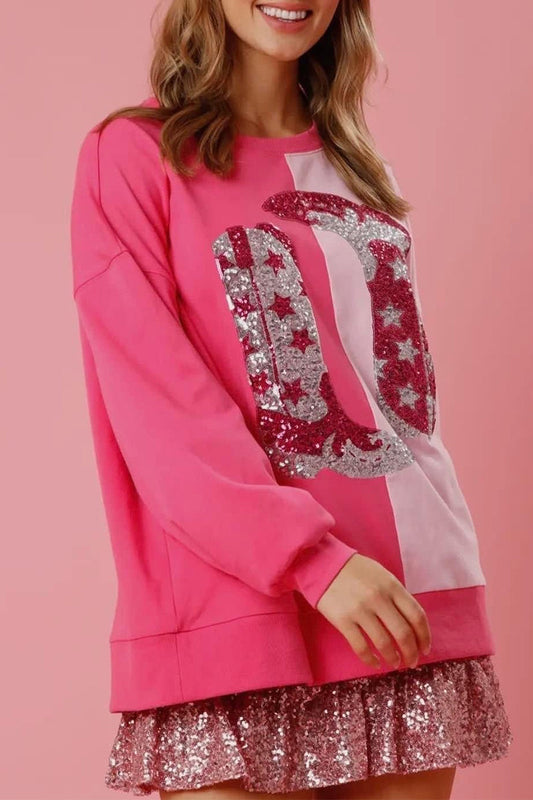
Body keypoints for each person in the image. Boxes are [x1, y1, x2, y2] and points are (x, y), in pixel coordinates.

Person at [69, 1, 513, 798]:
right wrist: (311, 559)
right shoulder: (133, 156)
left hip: (397, 592)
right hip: (232, 604)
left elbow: (402, 401)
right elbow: (158, 405)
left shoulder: (361, 170)